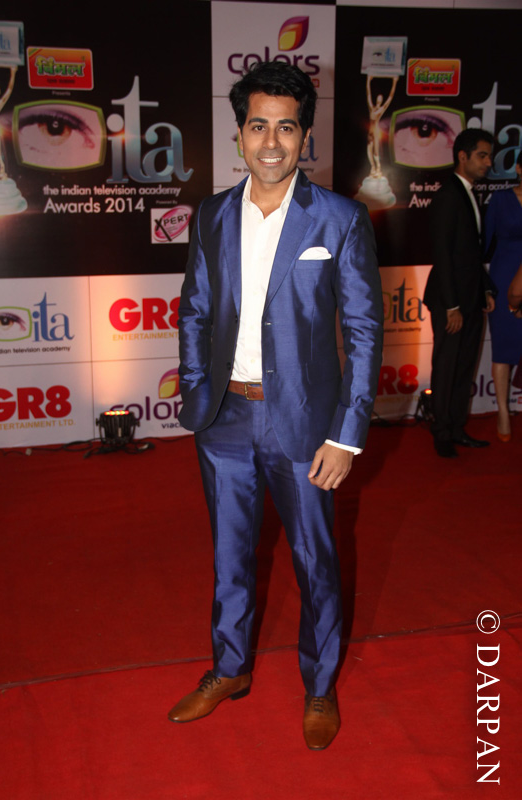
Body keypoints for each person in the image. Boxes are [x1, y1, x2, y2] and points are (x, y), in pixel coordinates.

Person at [169, 61, 383, 750]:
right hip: (224, 420)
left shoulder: (340, 219)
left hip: (305, 426)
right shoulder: (212, 214)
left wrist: (346, 435)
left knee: (315, 562)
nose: (270, 142)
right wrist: (197, 392)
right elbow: (195, 309)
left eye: (285, 128)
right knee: (229, 556)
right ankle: (229, 668)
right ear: (239, 134)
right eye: (257, 126)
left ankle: (319, 685)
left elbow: (364, 330)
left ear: (303, 136)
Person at [424, 128, 495, 458]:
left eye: (489, 156)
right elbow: (442, 253)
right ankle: (441, 431)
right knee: (447, 366)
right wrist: (452, 306)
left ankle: (455, 427)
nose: (488, 162)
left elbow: (470, 253)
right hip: (449, 300)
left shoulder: (467, 193)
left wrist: (485, 290)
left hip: (470, 298)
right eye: (482, 155)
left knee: (464, 365)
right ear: (462, 156)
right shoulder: (448, 195)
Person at [484, 150, 522, 441]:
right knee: (503, 348)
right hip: (504, 275)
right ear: (519, 168)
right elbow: (484, 244)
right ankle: (503, 413)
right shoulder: (500, 199)